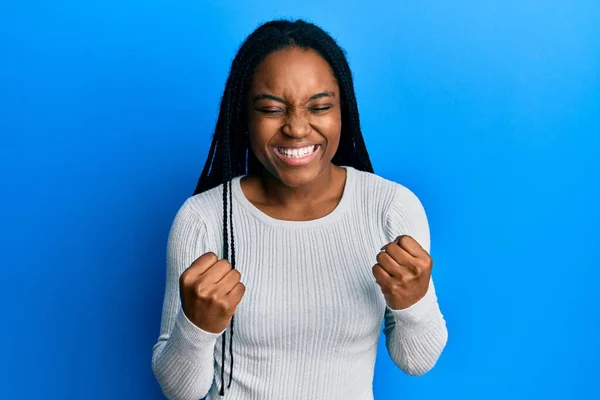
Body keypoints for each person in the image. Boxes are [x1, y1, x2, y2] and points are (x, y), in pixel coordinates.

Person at [152, 19, 448, 400]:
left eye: (320, 106)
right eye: (272, 109)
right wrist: (196, 328)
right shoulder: (202, 219)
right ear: (245, 115)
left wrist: (414, 303)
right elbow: (180, 391)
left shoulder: (390, 208)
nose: (296, 128)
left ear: (344, 110)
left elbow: (416, 361)